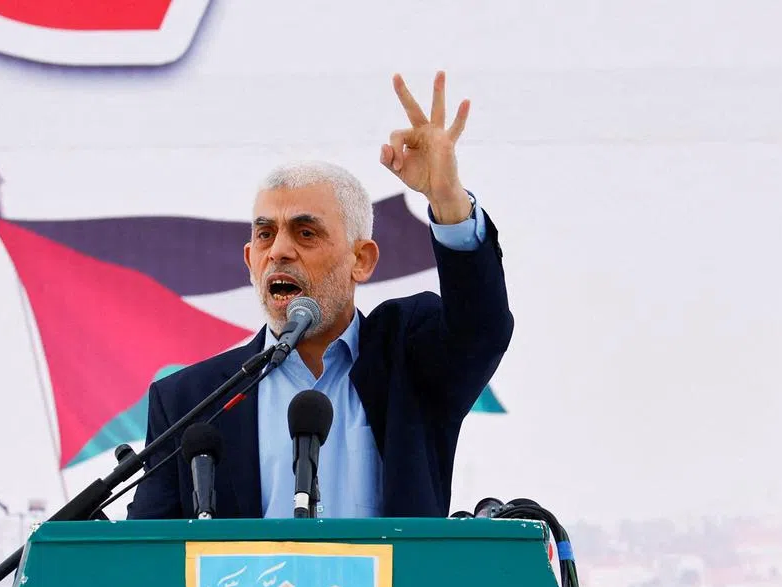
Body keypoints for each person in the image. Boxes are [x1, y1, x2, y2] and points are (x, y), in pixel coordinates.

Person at [127, 71, 513, 520]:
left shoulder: (411, 362)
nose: (281, 251)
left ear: (361, 260)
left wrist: (448, 200)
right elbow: (148, 560)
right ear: (251, 259)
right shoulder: (191, 403)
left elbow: (481, 329)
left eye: (305, 233)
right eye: (266, 235)